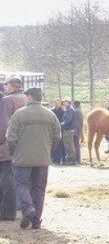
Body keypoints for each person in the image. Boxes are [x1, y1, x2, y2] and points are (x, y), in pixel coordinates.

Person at [6, 87, 61, 229]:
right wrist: (48, 152)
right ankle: (36, 221)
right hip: (43, 159)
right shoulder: (51, 115)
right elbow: (57, 137)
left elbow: (10, 138)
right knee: (39, 189)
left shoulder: (19, 114)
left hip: (22, 159)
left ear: (30, 97)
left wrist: (15, 153)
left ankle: (28, 208)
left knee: (22, 185)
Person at [0, 76, 27, 220]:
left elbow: (3, 124)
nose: (5, 87)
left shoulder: (8, 100)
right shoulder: (25, 98)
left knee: (6, 180)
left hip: (7, 147)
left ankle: (6, 213)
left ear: (11, 86)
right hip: (24, 146)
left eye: (6, 85)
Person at [60, 98, 76, 165]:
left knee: (70, 145)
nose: (64, 103)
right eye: (63, 102)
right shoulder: (68, 110)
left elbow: (68, 120)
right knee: (67, 144)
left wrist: (61, 124)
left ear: (69, 102)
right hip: (67, 129)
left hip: (68, 130)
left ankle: (72, 159)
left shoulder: (70, 110)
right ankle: (69, 158)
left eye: (65, 102)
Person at [50, 99, 66, 164]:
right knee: (54, 144)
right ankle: (55, 158)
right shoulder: (52, 111)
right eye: (56, 103)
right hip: (53, 129)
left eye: (58, 103)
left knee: (61, 145)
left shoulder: (63, 111)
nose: (57, 104)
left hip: (60, 129)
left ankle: (62, 158)